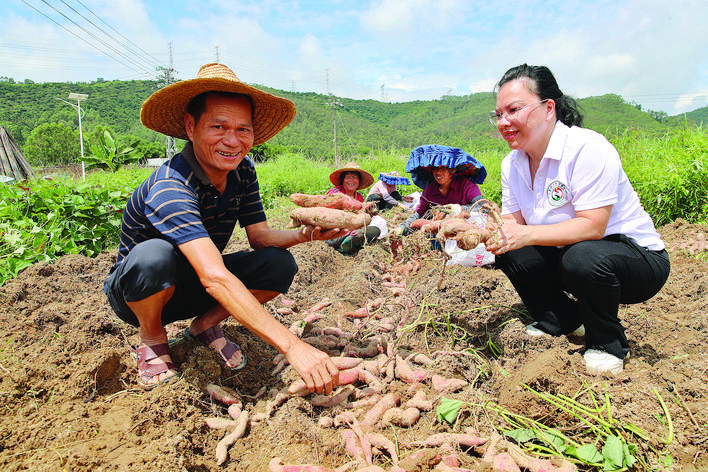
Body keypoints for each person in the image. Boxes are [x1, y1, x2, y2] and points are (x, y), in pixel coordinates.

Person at [103, 63, 343, 393]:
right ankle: (153, 336)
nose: (232, 141)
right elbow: (214, 277)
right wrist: (293, 346)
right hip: (141, 291)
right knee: (153, 257)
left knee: (278, 264)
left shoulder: (242, 171)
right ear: (191, 126)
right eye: (218, 126)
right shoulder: (170, 186)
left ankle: (204, 326)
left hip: (194, 282)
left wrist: (308, 234)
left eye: (243, 130)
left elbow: (259, 238)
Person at [485, 64, 670, 375]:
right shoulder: (511, 163)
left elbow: (593, 226)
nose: (504, 122)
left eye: (513, 110)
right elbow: (510, 223)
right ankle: (563, 319)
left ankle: (607, 343)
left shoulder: (587, 148)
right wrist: (475, 231)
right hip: (570, 256)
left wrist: (525, 235)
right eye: (499, 114)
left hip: (635, 261)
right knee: (508, 248)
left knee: (581, 255)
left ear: (548, 109)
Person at [394, 144, 486, 237]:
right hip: (438, 234)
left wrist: (459, 209)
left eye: (444, 167)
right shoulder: (430, 190)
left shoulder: (466, 186)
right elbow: (419, 214)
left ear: (453, 170)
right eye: (435, 168)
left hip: (464, 233)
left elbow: (484, 208)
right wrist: (401, 229)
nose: (438, 172)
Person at [325, 162, 381, 254]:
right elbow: (327, 217)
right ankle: (342, 249)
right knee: (359, 233)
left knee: (375, 231)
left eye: (355, 177)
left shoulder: (359, 197)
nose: (351, 180)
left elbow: (360, 221)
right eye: (348, 177)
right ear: (343, 180)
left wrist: (366, 212)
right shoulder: (335, 193)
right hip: (333, 234)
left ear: (358, 181)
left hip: (353, 231)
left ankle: (347, 245)